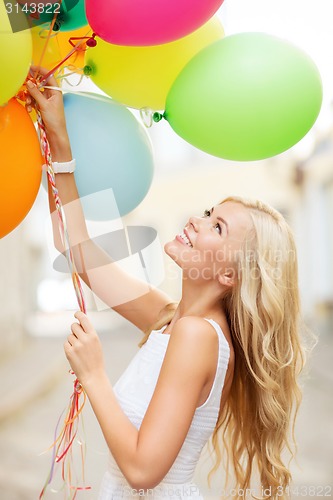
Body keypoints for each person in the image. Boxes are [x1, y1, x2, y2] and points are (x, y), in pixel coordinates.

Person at [26, 69, 306, 500]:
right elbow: (76, 246)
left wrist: (94, 372)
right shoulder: (171, 318)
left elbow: (142, 470)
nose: (196, 219)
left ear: (230, 274)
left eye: (216, 226)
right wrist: (57, 140)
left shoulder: (197, 336)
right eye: (209, 210)